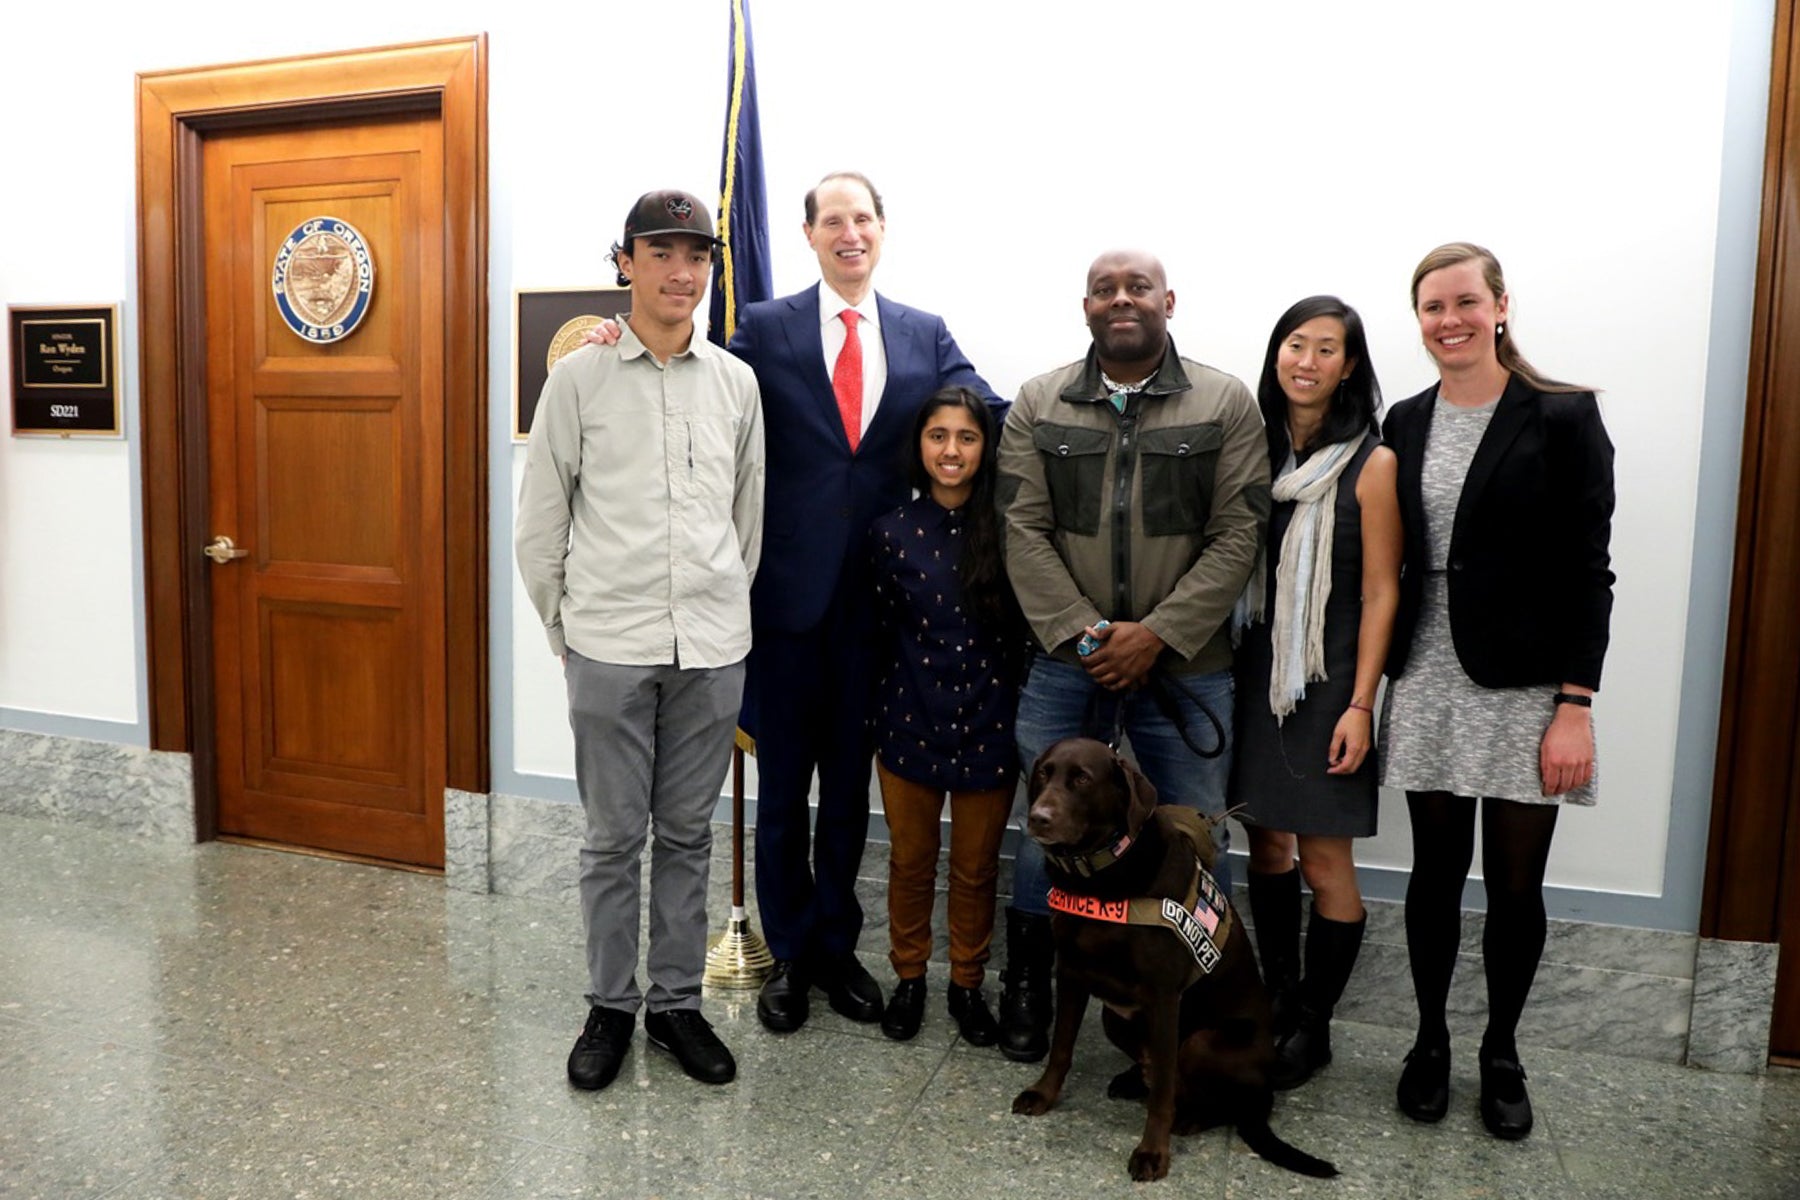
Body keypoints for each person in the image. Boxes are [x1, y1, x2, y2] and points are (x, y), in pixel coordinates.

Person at [730, 172, 1001, 1035]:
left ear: (883, 230)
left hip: (879, 613)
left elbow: (990, 416)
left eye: (863, 219)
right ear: (810, 235)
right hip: (781, 606)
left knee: (848, 795)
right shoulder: (767, 328)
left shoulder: (925, 334)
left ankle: (837, 949)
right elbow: (708, 402)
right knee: (781, 800)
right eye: (833, 220)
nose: (850, 233)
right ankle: (787, 955)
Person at [516, 190, 764, 1092]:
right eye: (660, 252)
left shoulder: (735, 382)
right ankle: (609, 1008)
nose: (679, 270)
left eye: (695, 255)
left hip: (709, 645)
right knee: (614, 839)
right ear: (625, 263)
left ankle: (675, 1005)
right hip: (608, 646)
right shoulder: (579, 379)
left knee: (689, 835)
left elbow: (748, 518)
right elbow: (541, 521)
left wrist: (723, 609)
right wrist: (567, 632)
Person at [995, 248, 1271, 1062]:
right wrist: (1089, 634)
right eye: (1105, 289)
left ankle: (1199, 1002)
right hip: (1063, 663)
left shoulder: (1224, 402)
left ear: (1168, 301)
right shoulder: (1039, 403)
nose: (1122, 299)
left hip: (1186, 666)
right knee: (1045, 825)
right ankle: (1028, 988)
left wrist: (1156, 635)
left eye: (1137, 287)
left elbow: (1240, 533)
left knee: (1189, 837)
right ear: (1086, 307)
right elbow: (1022, 529)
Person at [1380, 242, 1614, 1141]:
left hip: (1527, 684)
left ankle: (1502, 1053)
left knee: (1516, 887)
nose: (1450, 320)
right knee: (1434, 875)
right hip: (1430, 669)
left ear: (1501, 306)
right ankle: (1430, 1042)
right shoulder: (1404, 420)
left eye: (1466, 302)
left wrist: (1575, 705)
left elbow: (1590, 573)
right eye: (1432, 307)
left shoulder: (1562, 415)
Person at [1229, 295, 1400, 1090]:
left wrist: (1362, 705)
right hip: (1249, 677)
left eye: (1326, 349)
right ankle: (1276, 1000)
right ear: (1276, 355)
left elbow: (1380, 593)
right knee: (1265, 843)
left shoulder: (1372, 462)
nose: (1307, 361)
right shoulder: (1248, 448)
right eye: (1295, 344)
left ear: (1350, 366)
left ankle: (1315, 1023)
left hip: (1327, 684)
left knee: (1325, 862)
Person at [867, 386, 1026, 1046]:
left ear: (986, 447)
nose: (951, 450)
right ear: (919, 446)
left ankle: (967, 983)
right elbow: (876, 634)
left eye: (967, 436)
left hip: (990, 724)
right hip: (908, 720)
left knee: (976, 867)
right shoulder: (889, 533)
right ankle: (910, 980)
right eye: (938, 436)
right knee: (910, 861)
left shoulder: (1013, 532)